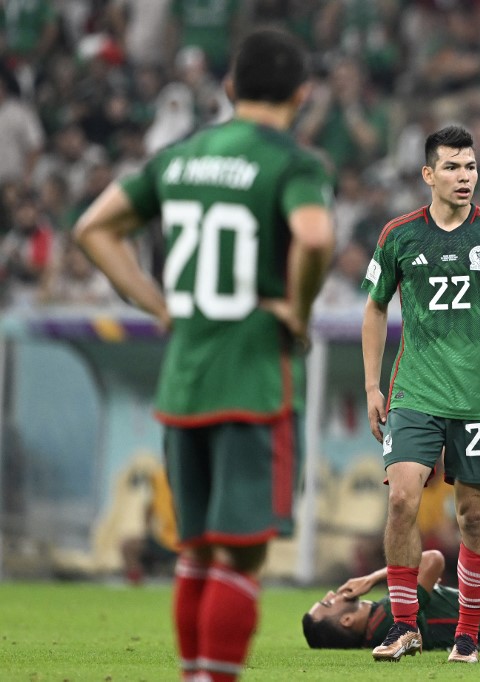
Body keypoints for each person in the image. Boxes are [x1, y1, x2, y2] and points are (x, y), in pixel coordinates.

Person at [74, 28, 335, 682]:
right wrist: (297, 312)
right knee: (240, 560)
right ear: (302, 95)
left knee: (195, 554)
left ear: (227, 88)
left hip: (183, 381)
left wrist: (158, 305)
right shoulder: (291, 163)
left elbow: (92, 229)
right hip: (254, 382)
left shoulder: (180, 157)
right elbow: (314, 234)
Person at [361, 124, 480, 664]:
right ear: (428, 175)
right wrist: (372, 383)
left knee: (474, 518)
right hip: (415, 389)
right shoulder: (399, 235)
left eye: (471, 167)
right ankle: (403, 625)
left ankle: (465, 634)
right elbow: (373, 307)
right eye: (453, 168)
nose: (465, 177)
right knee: (401, 499)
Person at [302, 550, 480, 652]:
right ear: (347, 620)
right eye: (328, 604)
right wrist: (373, 577)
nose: (331, 593)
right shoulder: (386, 618)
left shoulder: (379, 627)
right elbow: (433, 560)